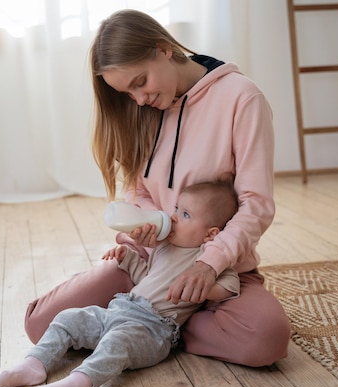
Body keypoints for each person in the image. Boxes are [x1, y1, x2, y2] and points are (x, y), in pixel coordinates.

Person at [24, 8, 290, 367]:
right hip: (150, 268)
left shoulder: (241, 98)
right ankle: (146, 324)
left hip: (219, 272)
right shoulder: (143, 110)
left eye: (139, 82)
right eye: (126, 92)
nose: (138, 99)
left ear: (164, 49)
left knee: (266, 341)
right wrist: (146, 224)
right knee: (39, 325)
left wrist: (209, 265)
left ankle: (161, 329)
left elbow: (256, 204)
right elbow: (140, 190)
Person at [0, 179, 241, 387]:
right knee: (68, 317)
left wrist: (205, 288)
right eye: (176, 208)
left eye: (185, 214)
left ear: (211, 234)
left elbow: (230, 286)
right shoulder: (165, 247)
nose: (174, 218)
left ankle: (80, 383)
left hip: (152, 329)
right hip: (118, 309)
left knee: (117, 343)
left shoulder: (207, 262)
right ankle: (34, 363)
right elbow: (146, 276)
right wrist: (127, 257)